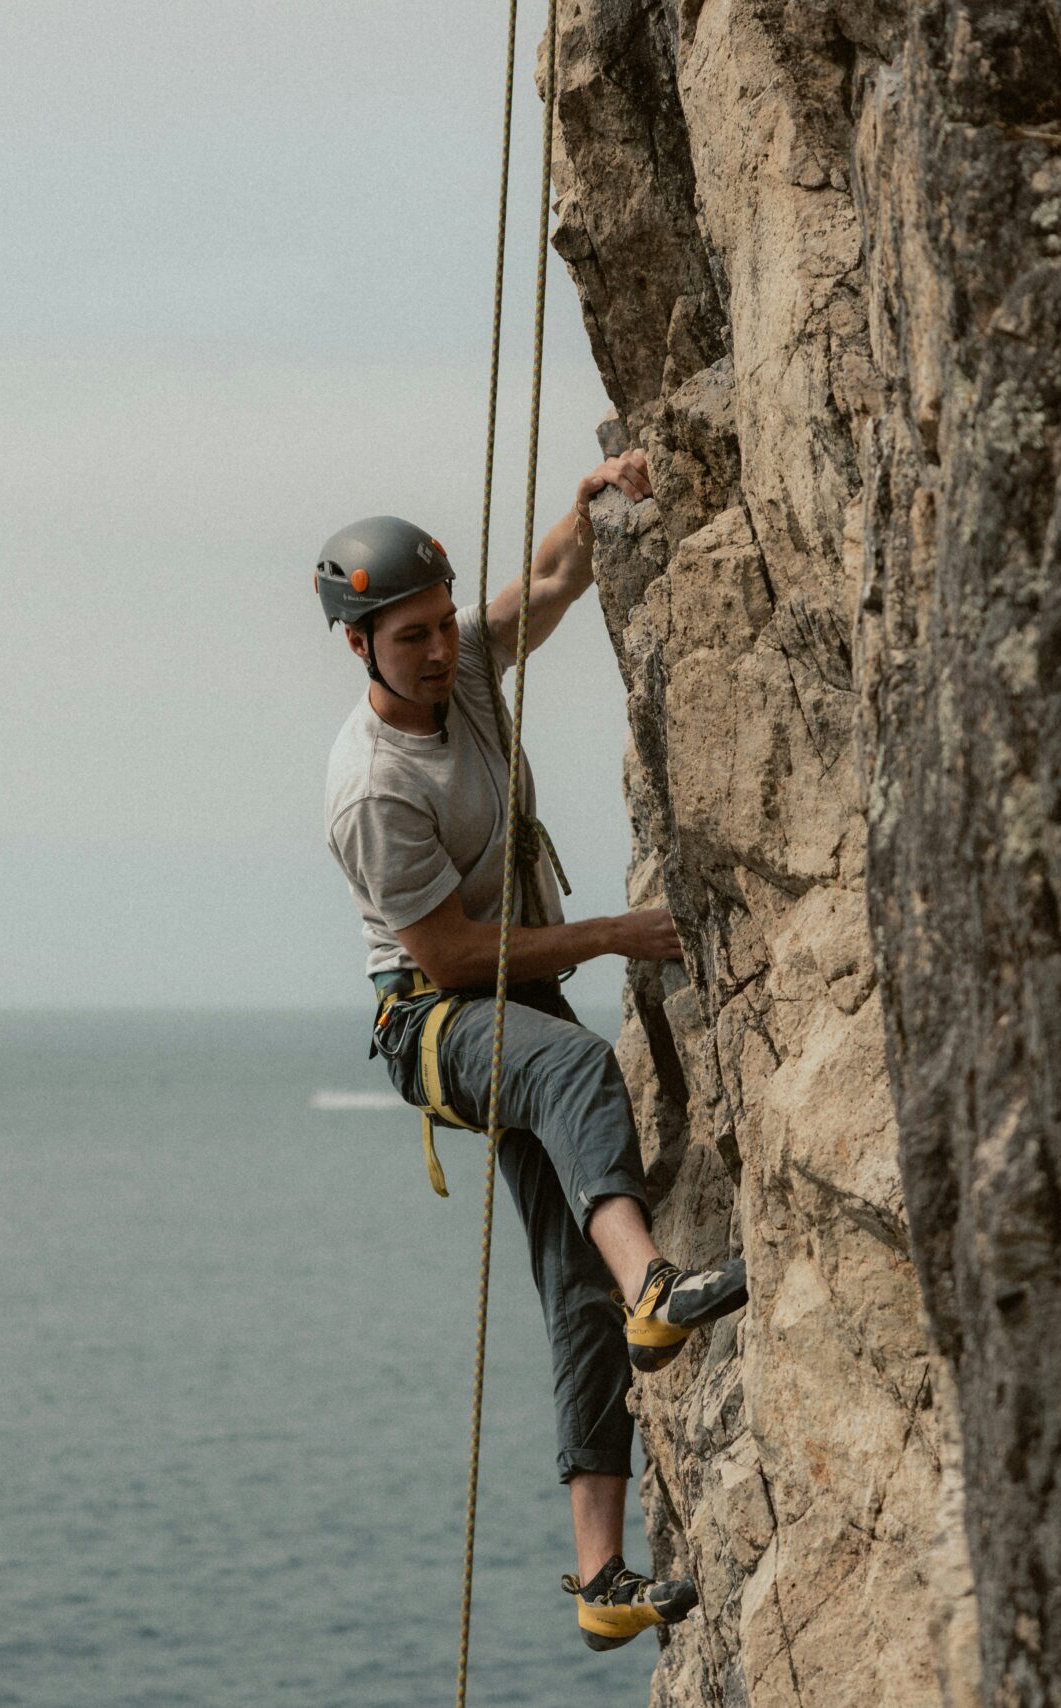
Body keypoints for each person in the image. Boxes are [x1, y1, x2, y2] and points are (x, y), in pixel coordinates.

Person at [315, 449, 750, 1652]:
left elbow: (553, 581)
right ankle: (654, 1283)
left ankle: (601, 1578)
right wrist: (613, 932)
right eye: (409, 637)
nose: (437, 651)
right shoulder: (371, 786)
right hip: (435, 1017)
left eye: (442, 624)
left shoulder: (462, 672)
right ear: (358, 645)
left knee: (572, 1280)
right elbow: (450, 953)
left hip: (515, 995)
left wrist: (592, 500)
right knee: (571, 1067)